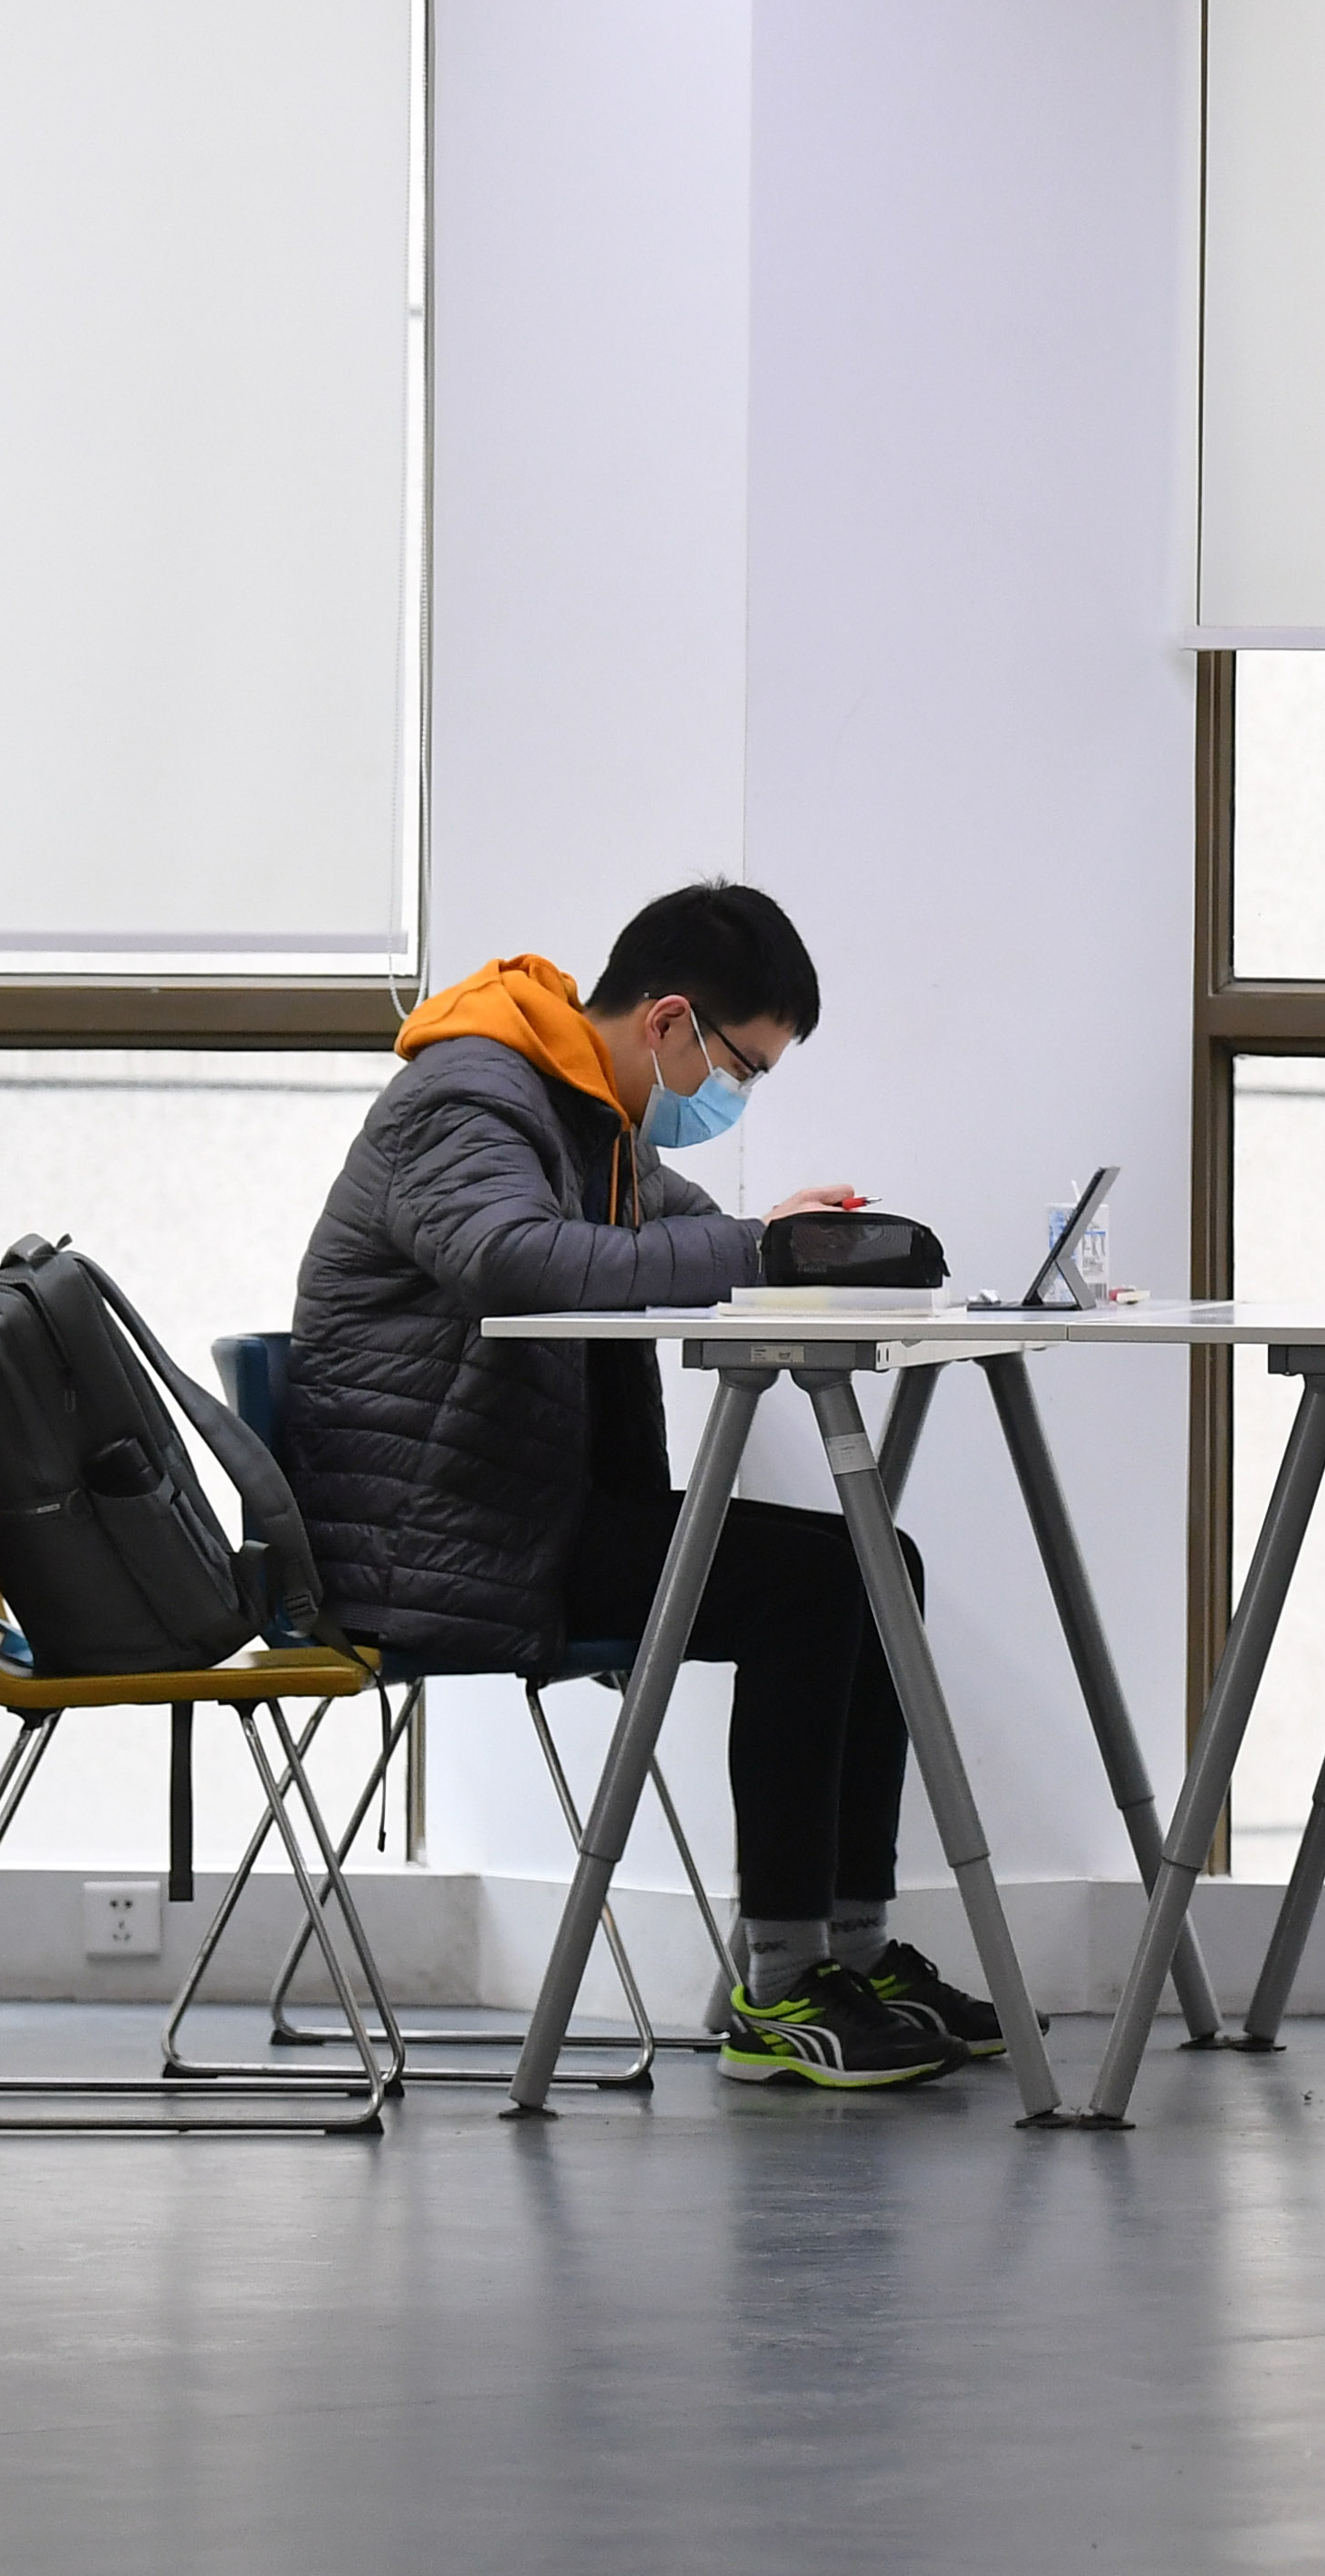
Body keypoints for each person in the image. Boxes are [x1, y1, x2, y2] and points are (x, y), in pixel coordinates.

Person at [283, 880, 1003, 2092]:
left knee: (878, 1566)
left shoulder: (586, 1117)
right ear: (671, 1022)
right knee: (819, 1586)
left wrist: (788, 1247)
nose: (738, 1094)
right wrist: (755, 1250)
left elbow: (686, 1236)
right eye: (744, 1067)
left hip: (510, 1513)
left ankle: (852, 1953)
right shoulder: (468, 1096)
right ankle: (779, 1989)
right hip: (428, 1540)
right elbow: (513, 1258)